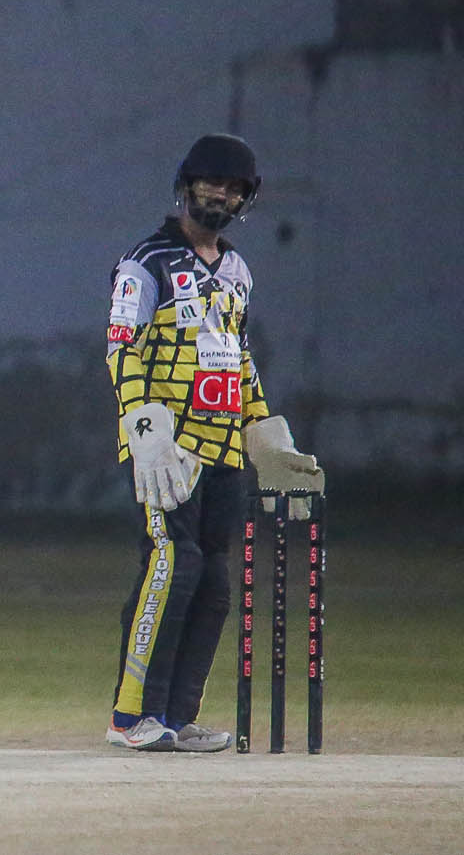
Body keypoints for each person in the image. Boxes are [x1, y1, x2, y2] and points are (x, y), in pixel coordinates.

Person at [104, 133, 324, 752]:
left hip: (223, 448)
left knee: (213, 584)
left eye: (233, 188)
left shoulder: (237, 272)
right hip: (167, 451)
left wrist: (266, 436)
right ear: (186, 185)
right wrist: (144, 430)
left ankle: (175, 718)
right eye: (210, 183)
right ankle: (131, 716)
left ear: (245, 199)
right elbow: (121, 349)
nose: (220, 195)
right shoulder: (145, 263)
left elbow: (238, 359)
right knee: (172, 566)